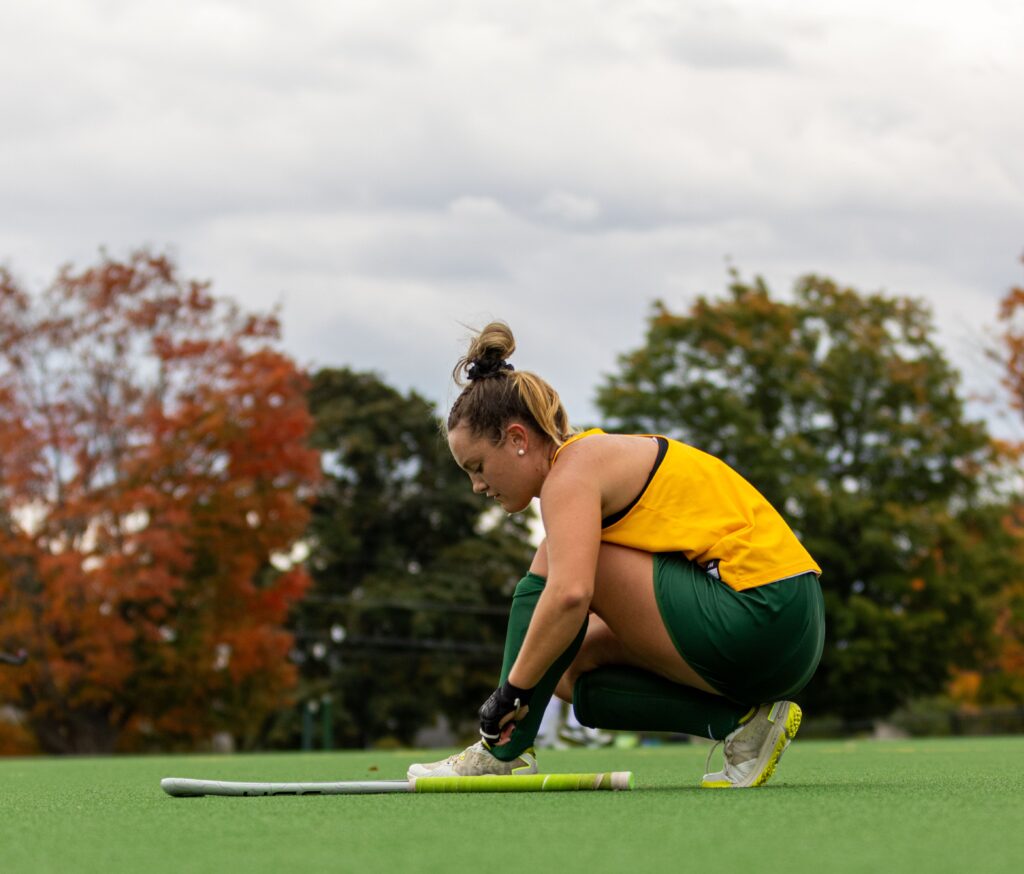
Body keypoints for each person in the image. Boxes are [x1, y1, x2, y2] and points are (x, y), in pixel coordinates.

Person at [408, 322, 825, 788]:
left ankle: (500, 751)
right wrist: (531, 680)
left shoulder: (571, 473)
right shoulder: (594, 461)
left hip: (763, 614)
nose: (478, 486)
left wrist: (508, 695)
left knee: (557, 568)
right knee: (559, 667)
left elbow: (569, 595)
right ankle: (745, 728)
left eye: (478, 466)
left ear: (518, 438)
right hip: (795, 626)